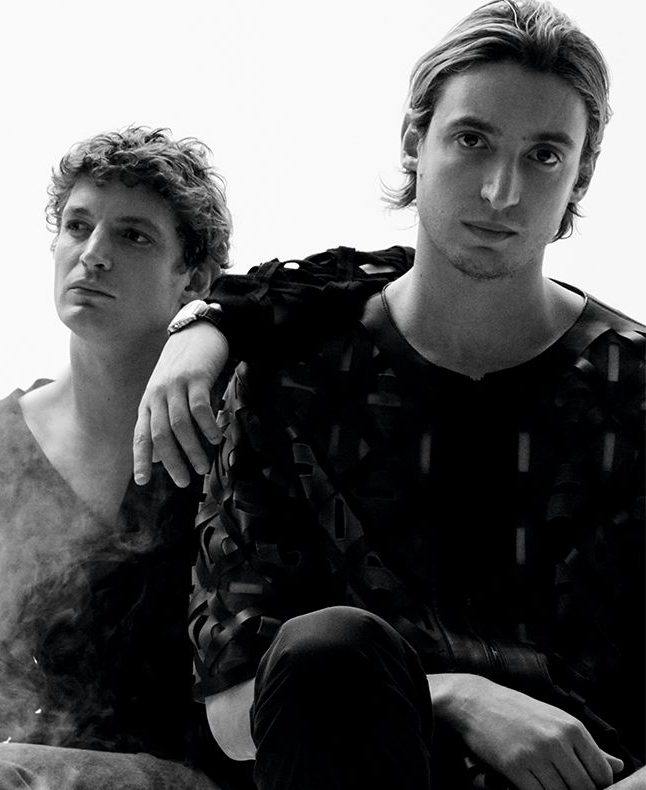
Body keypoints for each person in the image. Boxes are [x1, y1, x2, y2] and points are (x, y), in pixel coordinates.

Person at [137, 3, 644, 788]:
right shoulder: (294, 378)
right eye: (472, 140)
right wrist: (450, 696)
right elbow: (236, 709)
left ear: (580, 175)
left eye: (544, 155)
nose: (501, 192)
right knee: (328, 647)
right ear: (415, 140)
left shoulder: (632, 392)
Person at [0, 126, 250, 790]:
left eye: (134, 236)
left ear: (194, 278)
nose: (92, 255)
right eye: (78, 226)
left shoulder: (235, 423)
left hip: (216, 773)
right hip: (47, 772)